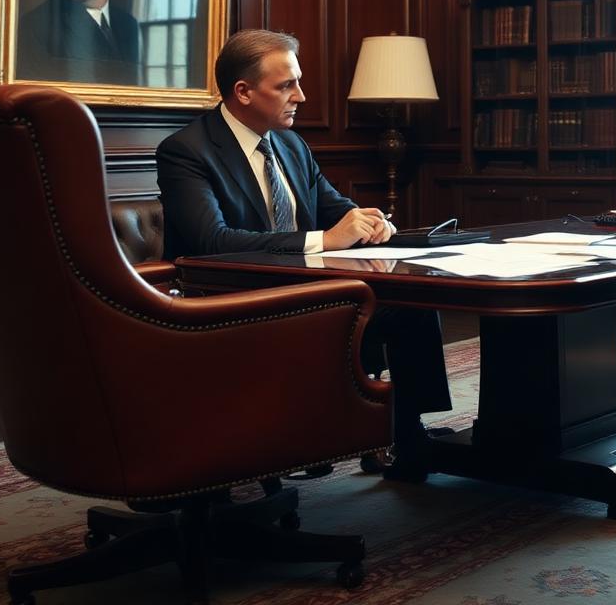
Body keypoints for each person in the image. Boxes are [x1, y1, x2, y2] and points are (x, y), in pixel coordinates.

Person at [156, 28, 452, 478]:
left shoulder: (291, 144)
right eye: (286, 85)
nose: (302, 95)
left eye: (297, 81)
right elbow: (211, 242)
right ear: (243, 92)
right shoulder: (187, 151)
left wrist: (369, 221)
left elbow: (335, 207)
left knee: (411, 303)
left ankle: (403, 433)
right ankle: (337, 434)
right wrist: (323, 240)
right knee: (361, 309)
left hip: (308, 289)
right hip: (236, 301)